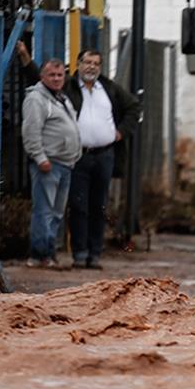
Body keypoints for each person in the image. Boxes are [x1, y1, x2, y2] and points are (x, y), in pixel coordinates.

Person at [59, 50, 143, 269]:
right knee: (78, 205)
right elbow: (42, 82)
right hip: (79, 156)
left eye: (96, 63)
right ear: (78, 64)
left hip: (105, 155)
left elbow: (134, 107)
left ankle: (95, 253)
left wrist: (121, 132)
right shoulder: (68, 87)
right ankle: (79, 253)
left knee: (99, 206)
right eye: (87, 62)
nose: (91, 67)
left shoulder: (109, 88)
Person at [22, 59, 82, 269]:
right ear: (42, 77)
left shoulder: (61, 98)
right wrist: (40, 157)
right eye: (52, 75)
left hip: (65, 164)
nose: (57, 79)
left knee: (56, 213)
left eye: (60, 75)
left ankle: (49, 252)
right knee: (44, 210)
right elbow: (31, 131)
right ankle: (39, 255)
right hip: (49, 164)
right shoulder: (37, 99)